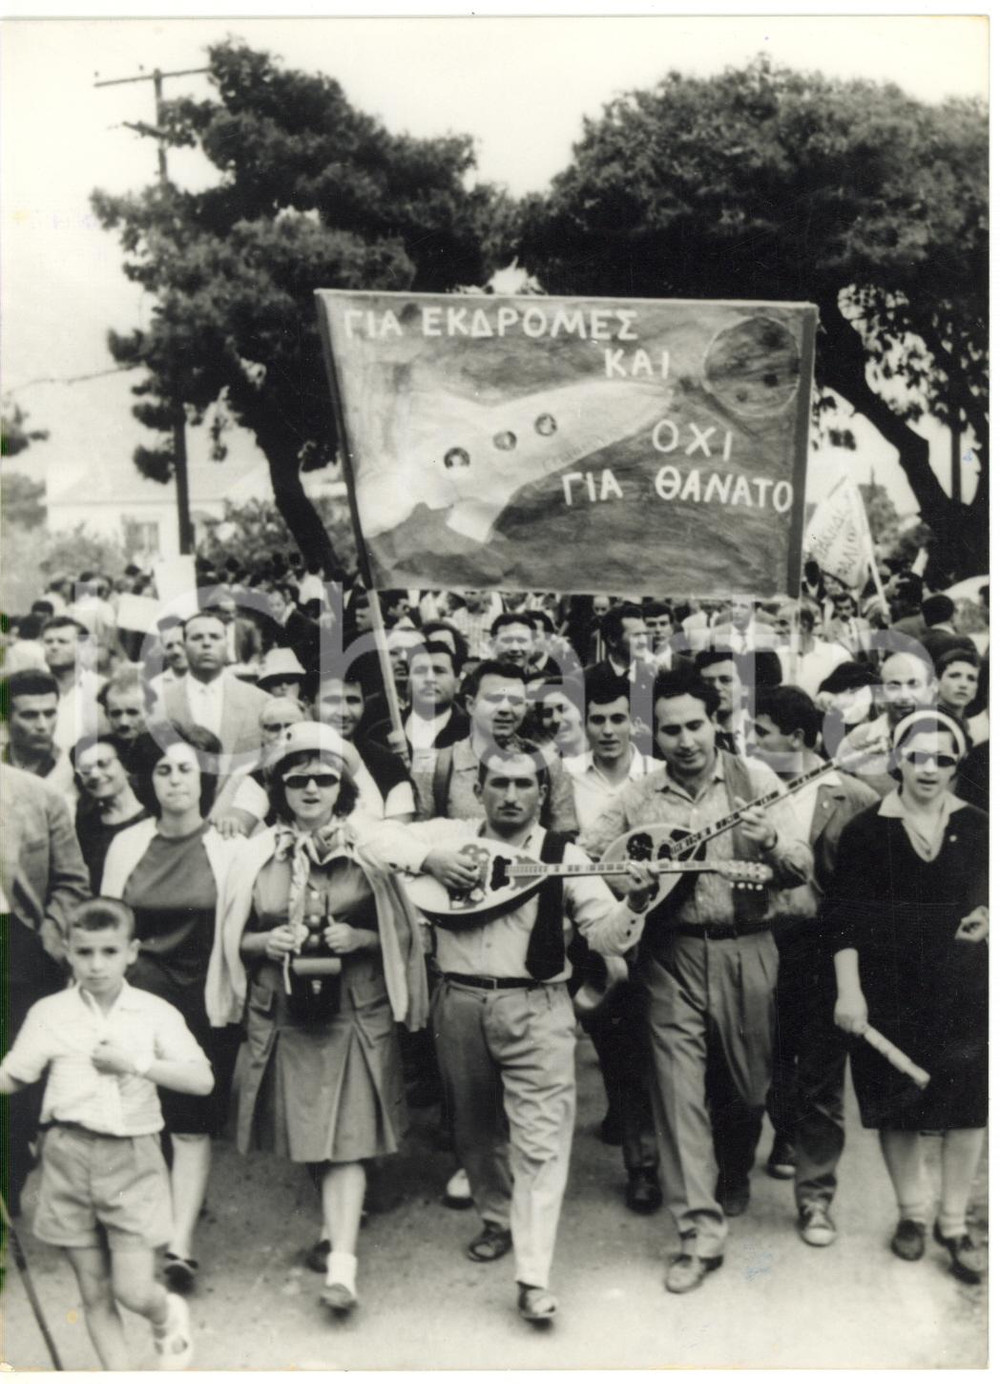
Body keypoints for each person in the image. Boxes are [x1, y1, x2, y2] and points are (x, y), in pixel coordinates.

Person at [403, 743, 657, 1322]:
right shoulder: (447, 838)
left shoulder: (564, 856)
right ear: (479, 790)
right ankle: (496, 1219)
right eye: (499, 783)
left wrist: (636, 902)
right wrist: (429, 860)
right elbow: (375, 840)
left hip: (538, 1008)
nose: (511, 796)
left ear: (542, 795)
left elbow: (605, 935)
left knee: (541, 1143)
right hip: (459, 1003)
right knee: (474, 1132)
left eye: (524, 785)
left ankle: (533, 1275)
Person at [583, 666, 812, 1294]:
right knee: (676, 1093)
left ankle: (732, 1169)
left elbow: (801, 865)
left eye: (695, 725)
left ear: (716, 722)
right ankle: (697, 1232)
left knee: (747, 1089)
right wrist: (624, 882)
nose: (684, 741)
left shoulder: (755, 781)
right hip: (670, 955)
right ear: (653, 734)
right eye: (670, 730)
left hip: (748, 947)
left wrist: (772, 844)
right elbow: (589, 854)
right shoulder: (640, 797)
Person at [206, 723, 428, 1316]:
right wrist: (264, 942)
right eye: (297, 779)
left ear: (342, 787)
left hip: (353, 1006)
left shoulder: (369, 850)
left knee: (347, 1139)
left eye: (324, 779)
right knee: (310, 1132)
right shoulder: (254, 855)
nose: (310, 789)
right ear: (279, 788)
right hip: (285, 1009)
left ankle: (342, 1266)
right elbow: (230, 940)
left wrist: (361, 937)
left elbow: (404, 935)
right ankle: (336, 1220)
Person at [0, 897, 213, 1370]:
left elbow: (201, 1080)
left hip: (131, 1158)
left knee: (132, 1290)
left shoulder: (153, 1012)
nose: (96, 965)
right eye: (85, 952)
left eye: (109, 952)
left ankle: (166, 1315)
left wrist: (135, 1064)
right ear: (68, 951)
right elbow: (14, 1075)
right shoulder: (49, 1013)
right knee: (94, 1292)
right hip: (66, 1156)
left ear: (131, 952)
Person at [828, 710, 988, 1284]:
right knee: (897, 1104)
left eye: (943, 758)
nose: (929, 768)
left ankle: (954, 1224)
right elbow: (843, 921)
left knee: (968, 1108)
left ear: (957, 764)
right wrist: (850, 993)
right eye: (917, 756)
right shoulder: (866, 831)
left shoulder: (980, 826)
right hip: (889, 991)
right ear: (897, 758)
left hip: (965, 988)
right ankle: (912, 1215)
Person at [101, 725, 240, 1294]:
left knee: (190, 1124)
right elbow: (108, 926)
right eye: (164, 770)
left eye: (186, 769)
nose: (176, 780)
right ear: (149, 781)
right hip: (137, 1004)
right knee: (136, 1118)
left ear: (203, 778)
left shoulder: (229, 846)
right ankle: (143, 1221)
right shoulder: (127, 845)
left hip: (202, 1002)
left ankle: (181, 1247)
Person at [749, 685, 878, 1243]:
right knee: (769, 1065)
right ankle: (784, 1134)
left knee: (823, 1076)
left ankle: (816, 1197)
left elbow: (868, 889)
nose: (752, 743)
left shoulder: (854, 797)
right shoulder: (746, 792)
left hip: (827, 951)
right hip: (760, 946)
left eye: (762, 733)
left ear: (797, 737)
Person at [565, 668, 661, 1211]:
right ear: (583, 723)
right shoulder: (565, 778)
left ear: (634, 722)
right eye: (596, 719)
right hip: (593, 928)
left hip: (656, 925)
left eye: (617, 718)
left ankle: (648, 1152)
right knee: (613, 1037)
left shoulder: (657, 775)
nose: (607, 730)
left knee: (652, 1041)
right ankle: (637, 1152)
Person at [0, 762, 91, 1216]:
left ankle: (9, 1185)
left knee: (18, 1081)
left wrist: (48, 942)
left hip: (20, 948)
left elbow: (72, 884)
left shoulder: (39, 795)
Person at [412, 660, 578, 833]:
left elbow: (563, 836)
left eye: (515, 701)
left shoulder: (548, 764)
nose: (505, 709)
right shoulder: (432, 765)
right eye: (494, 699)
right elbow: (418, 838)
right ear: (470, 705)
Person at [150, 610, 271, 811]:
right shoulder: (158, 704)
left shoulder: (260, 702)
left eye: (214, 637)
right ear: (184, 645)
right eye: (197, 637)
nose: (206, 643)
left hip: (243, 814)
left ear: (227, 644)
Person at [838, 647, 938, 795]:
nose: (904, 696)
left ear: (932, 687)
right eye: (893, 686)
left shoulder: (949, 739)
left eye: (913, 684)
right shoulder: (856, 741)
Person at [317, 675, 416, 821]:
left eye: (353, 700)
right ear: (308, 703)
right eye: (332, 701)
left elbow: (400, 828)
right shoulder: (288, 760)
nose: (344, 712)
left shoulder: (388, 763)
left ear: (364, 703)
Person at [72, 734, 149, 891]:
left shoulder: (157, 814)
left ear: (125, 766)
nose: (94, 775)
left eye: (103, 764)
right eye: (85, 770)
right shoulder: (86, 825)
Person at [1, 668, 78, 799]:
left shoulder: (74, 769)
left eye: (49, 714)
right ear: (6, 719)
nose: (43, 725)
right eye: (29, 715)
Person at [41, 614, 105, 754]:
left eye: (62, 641)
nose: (54, 647)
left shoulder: (101, 688)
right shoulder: (30, 687)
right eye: (48, 641)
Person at [935, 646, 987, 745]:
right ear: (936, 683)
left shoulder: (973, 729)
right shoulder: (924, 722)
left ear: (975, 691)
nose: (963, 685)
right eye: (954, 676)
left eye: (971, 679)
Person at [98, 667, 149, 757]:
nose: (123, 722)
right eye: (115, 714)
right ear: (106, 714)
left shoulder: (165, 746)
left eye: (132, 713)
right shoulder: (97, 748)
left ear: (149, 712)